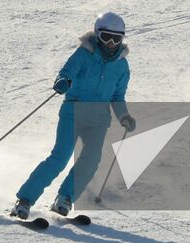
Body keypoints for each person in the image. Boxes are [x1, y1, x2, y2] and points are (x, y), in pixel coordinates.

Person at [10, 12, 135, 220]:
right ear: (97, 34)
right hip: (74, 112)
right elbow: (67, 71)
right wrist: (64, 81)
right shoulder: (84, 54)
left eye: (116, 38)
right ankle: (24, 200)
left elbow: (117, 96)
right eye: (106, 37)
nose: (111, 43)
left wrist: (124, 116)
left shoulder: (122, 65)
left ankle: (65, 198)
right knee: (60, 157)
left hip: (99, 119)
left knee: (91, 160)